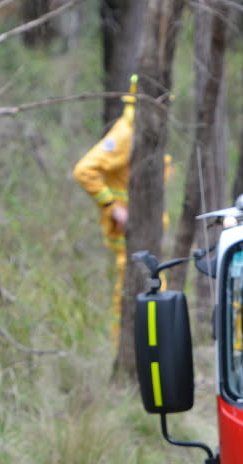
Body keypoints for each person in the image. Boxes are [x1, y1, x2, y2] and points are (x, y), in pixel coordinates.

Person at [73, 78, 138, 337]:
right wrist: (113, 207)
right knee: (131, 296)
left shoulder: (144, 128)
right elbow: (84, 170)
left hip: (142, 232)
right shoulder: (126, 132)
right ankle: (124, 353)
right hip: (128, 233)